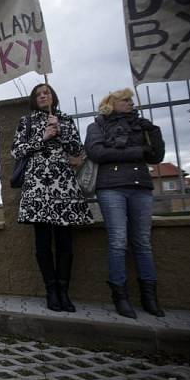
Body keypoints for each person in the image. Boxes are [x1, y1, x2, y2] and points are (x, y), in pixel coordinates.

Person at [84, 88, 165, 319]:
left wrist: (154, 132)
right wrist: (136, 151)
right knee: (118, 240)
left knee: (142, 241)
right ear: (111, 103)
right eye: (125, 100)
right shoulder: (97, 126)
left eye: (131, 100)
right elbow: (96, 152)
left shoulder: (141, 125)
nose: (130, 103)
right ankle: (120, 296)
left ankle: (149, 296)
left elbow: (155, 156)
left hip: (140, 186)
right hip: (111, 187)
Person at [11, 83, 93, 312]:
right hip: (37, 187)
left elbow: (77, 149)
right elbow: (16, 151)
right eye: (38, 94)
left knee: (65, 241)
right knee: (43, 241)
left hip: (64, 187)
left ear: (53, 96)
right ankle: (51, 291)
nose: (42, 96)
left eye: (46, 92)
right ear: (34, 99)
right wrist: (44, 136)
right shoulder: (26, 122)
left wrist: (61, 130)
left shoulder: (65, 119)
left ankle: (64, 292)